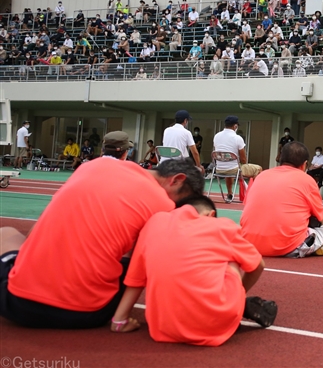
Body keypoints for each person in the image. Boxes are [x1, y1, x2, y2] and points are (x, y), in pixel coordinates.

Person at [0, 136, 204, 329]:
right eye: (180, 201)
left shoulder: (93, 166)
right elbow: (153, 265)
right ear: (176, 180)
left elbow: (37, 230)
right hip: (90, 313)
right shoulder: (164, 206)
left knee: (7, 233)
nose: (176, 207)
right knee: (140, 245)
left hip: (17, 304)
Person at [109, 195, 277, 344]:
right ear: (211, 215)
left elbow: (136, 279)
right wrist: (241, 294)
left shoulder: (154, 223)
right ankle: (233, 305)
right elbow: (258, 265)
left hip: (164, 327)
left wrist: (119, 320)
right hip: (215, 323)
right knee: (232, 257)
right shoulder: (221, 226)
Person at [212, 116, 263, 203]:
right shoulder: (238, 138)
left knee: (230, 168)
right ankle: (255, 195)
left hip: (218, 169)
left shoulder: (216, 136)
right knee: (258, 169)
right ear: (235, 126)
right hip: (234, 169)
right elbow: (243, 159)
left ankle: (229, 193)